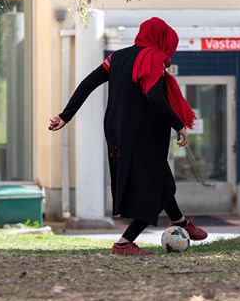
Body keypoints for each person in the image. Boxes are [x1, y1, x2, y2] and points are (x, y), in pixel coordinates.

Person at [49, 17, 208, 256]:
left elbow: (88, 83)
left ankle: (181, 222)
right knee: (154, 187)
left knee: (163, 181)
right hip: (142, 131)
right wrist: (179, 124)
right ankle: (124, 244)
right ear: (162, 40)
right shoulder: (152, 58)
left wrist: (65, 115)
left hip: (117, 129)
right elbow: (155, 98)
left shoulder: (117, 57)